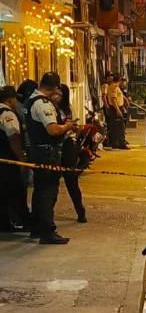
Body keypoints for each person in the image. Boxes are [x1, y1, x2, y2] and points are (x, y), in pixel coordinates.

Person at [24, 72, 76, 244]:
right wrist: (67, 126)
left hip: (37, 151)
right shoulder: (43, 104)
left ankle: (37, 227)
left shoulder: (31, 100)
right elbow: (53, 130)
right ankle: (47, 231)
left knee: (40, 191)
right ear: (54, 87)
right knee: (48, 192)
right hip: (47, 154)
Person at [52, 84, 86, 223]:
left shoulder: (68, 109)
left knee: (71, 181)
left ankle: (80, 211)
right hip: (54, 147)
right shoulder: (48, 107)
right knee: (52, 183)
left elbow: (77, 128)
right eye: (55, 94)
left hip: (68, 146)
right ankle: (48, 216)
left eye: (59, 94)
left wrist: (71, 128)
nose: (56, 97)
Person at [0, 86, 30, 231]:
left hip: (3, 159)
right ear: (10, 99)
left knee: (3, 192)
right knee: (15, 191)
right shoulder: (7, 114)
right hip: (9, 159)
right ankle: (21, 220)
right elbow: (13, 138)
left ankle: (5, 223)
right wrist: (21, 159)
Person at [106, 74, 128, 149]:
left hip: (117, 108)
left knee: (116, 126)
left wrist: (125, 100)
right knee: (120, 126)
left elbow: (119, 96)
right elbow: (113, 99)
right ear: (120, 80)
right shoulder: (114, 87)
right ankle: (121, 143)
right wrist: (118, 110)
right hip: (115, 108)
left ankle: (115, 143)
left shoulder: (115, 87)